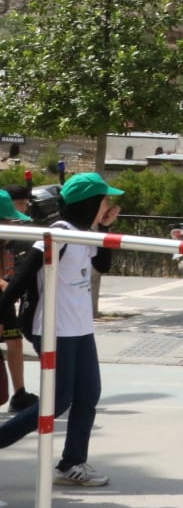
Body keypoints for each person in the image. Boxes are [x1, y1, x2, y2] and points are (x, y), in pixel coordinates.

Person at [0, 172, 123, 486]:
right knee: (59, 400)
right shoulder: (60, 232)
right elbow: (25, 276)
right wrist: (3, 307)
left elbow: (103, 266)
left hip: (79, 328)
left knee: (88, 395)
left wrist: (105, 227)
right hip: (53, 328)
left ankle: (72, 464)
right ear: (91, 202)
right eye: (105, 200)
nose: (109, 204)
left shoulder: (85, 232)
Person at [0, 189, 35, 413]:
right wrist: (11, 289)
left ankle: (19, 393)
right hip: (4, 297)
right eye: (12, 220)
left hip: (4, 301)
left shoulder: (5, 242)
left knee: (15, 340)